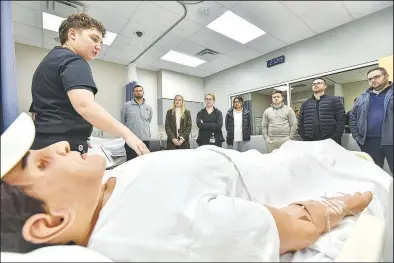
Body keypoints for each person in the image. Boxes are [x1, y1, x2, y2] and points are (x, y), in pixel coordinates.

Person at [1, 113, 388, 262]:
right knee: (371, 174)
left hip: (267, 159)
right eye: (39, 162)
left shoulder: (100, 189)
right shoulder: (169, 231)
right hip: (288, 173)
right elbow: (298, 226)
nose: (58, 145)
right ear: (50, 223)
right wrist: (343, 202)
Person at [30, 13, 148, 156]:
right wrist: (128, 134)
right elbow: (85, 107)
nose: (98, 47)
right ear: (72, 34)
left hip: (42, 145)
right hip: (62, 148)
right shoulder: (74, 61)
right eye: (94, 39)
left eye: (100, 43)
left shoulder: (49, 61)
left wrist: (79, 136)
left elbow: (36, 114)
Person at [350, 67, 393, 174]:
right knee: (374, 173)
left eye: (377, 77)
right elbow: (353, 116)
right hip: (369, 142)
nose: (373, 80)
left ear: (386, 76)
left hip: (391, 141)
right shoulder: (362, 97)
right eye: (370, 79)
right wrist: (356, 135)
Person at [298, 78, 345, 144]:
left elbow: (341, 120)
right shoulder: (305, 104)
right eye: (314, 84)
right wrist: (304, 136)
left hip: (330, 140)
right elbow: (300, 122)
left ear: (325, 86)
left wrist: (335, 137)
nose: (316, 85)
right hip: (310, 140)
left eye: (319, 83)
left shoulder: (334, 100)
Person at [121, 85, 153, 160]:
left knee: (145, 161)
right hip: (131, 140)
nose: (138, 92)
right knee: (131, 162)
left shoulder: (148, 108)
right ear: (133, 93)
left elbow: (148, 121)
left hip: (145, 139)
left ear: (143, 92)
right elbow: (123, 121)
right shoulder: (126, 105)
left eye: (140, 91)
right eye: (136, 91)